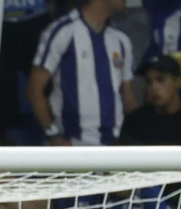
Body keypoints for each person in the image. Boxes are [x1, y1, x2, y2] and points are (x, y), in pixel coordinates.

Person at [28, 0, 137, 146]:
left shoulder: (121, 40)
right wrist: (53, 135)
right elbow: (34, 90)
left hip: (113, 147)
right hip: (73, 145)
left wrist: (138, 137)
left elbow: (128, 98)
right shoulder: (62, 32)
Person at [119, 54, 181, 145]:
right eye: (148, 81)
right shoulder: (134, 121)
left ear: (178, 82)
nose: (153, 87)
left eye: (160, 80)